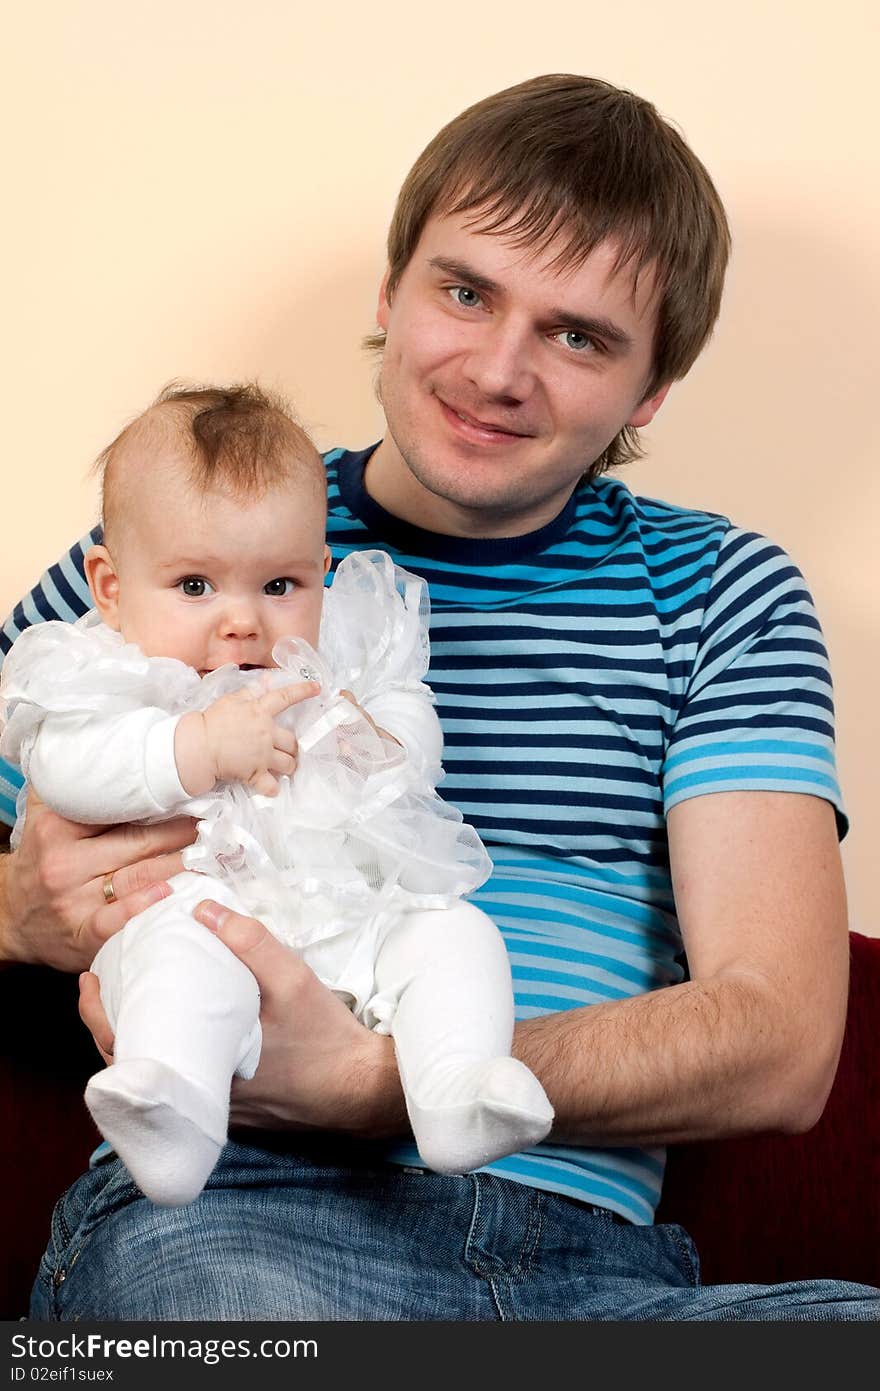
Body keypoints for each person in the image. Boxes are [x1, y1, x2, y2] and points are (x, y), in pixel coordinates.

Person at [1, 73, 878, 1319]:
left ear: (652, 393)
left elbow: (779, 1040)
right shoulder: (190, 540)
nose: (497, 369)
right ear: (391, 289)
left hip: (601, 1277)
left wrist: (382, 1074)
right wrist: (19, 910)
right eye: (464, 292)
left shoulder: (720, 591)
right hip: (242, 1218)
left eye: (578, 335)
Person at [0, 382, 553, 1207]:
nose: (242, 623)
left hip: (353, 918)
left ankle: (458, 1091)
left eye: (280, 585)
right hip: (197, 913)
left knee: (455, 931)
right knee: (178, 970)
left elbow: (412, 742)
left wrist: (377, 735)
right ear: (110, 587)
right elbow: (70, 766)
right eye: (194, 586)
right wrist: (196, 747)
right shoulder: (105, 673)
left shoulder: (340, 660)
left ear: (320, 575)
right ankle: (175, 1115)